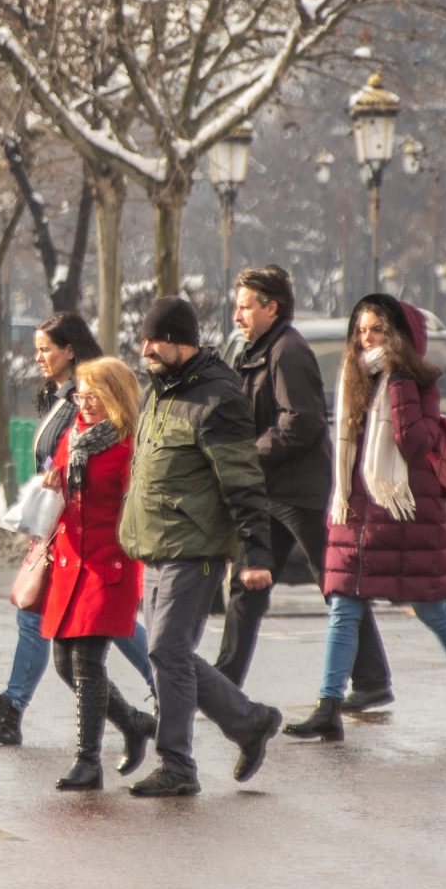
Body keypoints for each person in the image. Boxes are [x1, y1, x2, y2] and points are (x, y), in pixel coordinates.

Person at [300, 296, 446, 740]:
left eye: (378, 330)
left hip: (405, 512)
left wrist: (400, 385)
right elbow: (348, 451)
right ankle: (328, 706)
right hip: (356, 510)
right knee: (344, 606)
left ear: (399, 336)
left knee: (431, 608)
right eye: (361, 330)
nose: (366, 339)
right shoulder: (353, 378)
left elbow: (414, 443)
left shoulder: (417, 380)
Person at [117, 296, 286, 795]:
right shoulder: (159, 392)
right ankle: (249, 721)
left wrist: (255, 554)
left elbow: (243, 481)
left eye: (155, 340)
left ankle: (177, 765)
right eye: (144, 339)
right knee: (168, 655)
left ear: (181, 341)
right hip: (156, 545)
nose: (146, 349)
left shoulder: (217, 399)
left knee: (167, 651)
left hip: (194, 547)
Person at [0, 312, 154, 745]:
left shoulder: (84, 401)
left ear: (69, 350)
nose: (38, 357)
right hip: (59, 527)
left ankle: (16, 712)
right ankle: (152, 697)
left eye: (45, 349)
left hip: (82, 534)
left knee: (72, 626)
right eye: (37, 349)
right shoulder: (61, 397)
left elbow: (95, 468)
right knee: (89, 629)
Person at [213, 264, 393, 714]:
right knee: (248, 584)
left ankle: (372, 680)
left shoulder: (288, 351)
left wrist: (249, 453)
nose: (237, 316)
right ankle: (222, 684)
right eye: (237, 307)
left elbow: (302, 421)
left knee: (335, 583)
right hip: (269, 490)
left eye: (245, 307)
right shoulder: (256, 349)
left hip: (300, 493)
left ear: (271, 308)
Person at [40, 357, 155, 789]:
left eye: (95, 396)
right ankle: (133, 722)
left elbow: (140, 505)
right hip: (70, 563)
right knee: (63, 665)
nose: (85, 404)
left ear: (116, 398)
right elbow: (64, 490)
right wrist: (53, 482)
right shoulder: (73, 438)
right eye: (81, 395)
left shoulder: (130, 448)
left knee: (87, 663)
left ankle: (87, 761)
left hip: (108, 564)